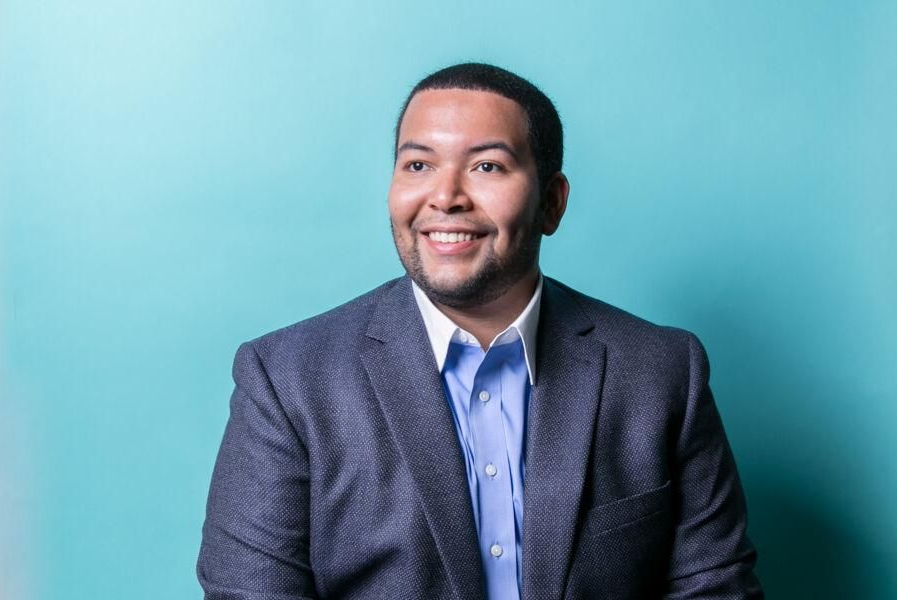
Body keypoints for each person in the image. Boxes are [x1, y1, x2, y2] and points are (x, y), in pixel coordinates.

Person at [197, 62, 764, 600]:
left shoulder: (661, 370)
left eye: (487, 166)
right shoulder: (287, 379)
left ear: (552, 203)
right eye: (418, 165)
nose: (445, 197)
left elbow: (713, 587)